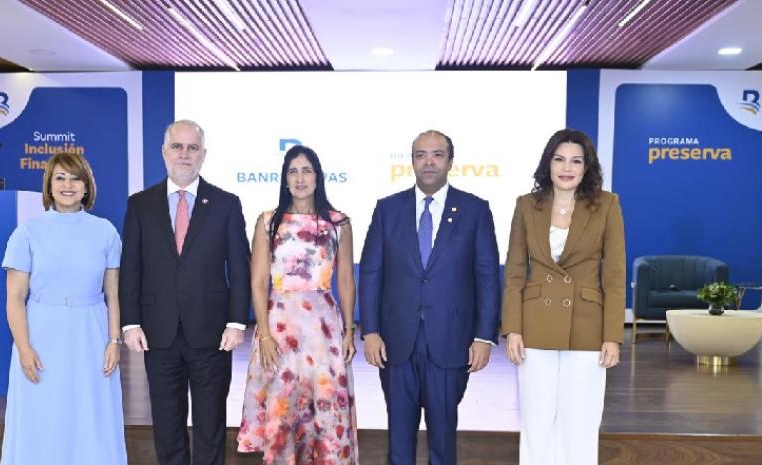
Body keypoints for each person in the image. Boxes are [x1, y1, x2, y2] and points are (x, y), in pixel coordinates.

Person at [359, 130, 500, 465]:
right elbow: (371, 273)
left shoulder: (475, 210)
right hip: (396, 342)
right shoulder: (387, 209)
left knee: (443, 439)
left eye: (437, 154)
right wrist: (370, 331)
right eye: (420, 154)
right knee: (399, 441)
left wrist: (484, 336)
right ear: (411, 162)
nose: (429, 161)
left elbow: (487, 278)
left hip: (451, 341)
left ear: (451, 161)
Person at [119, 119, 251, 465]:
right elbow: (131, 267)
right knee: (166, 425)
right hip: (157, 333)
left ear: (203, 155)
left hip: (212, 334)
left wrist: (237, 322)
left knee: (210, 425)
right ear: (164, 152)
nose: (184, 154)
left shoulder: (226, 204)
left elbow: (240, 268)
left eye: (193, 148)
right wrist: (130, 322)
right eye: (177, 146)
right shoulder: (140, 204)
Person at [501, 128, 625, 465]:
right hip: (534, 325)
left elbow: (614, 277)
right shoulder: (526, 205)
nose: (566, 168)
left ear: (587, 168)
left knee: (580, 424)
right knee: (536, 421)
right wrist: (512, 328)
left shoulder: (607, 205)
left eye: (575, 161)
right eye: (559, 159)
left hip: (587, 327)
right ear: (548, 164)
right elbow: (514, 272)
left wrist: (612, 336)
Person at [0, 151, 127, 465]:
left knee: (91, 411)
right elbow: (15, 297)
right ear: (49, 186)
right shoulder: (27, 233)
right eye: (60, 177)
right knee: (42, 411)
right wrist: (24, 348)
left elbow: (113, 294)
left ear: (87, 186)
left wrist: (114, 341)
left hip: (91, 332)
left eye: (75, 177)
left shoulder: (106, 231)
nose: (67, 185)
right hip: (42, 332)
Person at [237, 145, 359, 464]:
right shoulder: (267, 222)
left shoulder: (338, 223)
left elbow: (345, 280)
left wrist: (348, 331)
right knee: (284, 410)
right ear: (284, 180)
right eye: (293, 171)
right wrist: (263, 334)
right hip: (279, 330)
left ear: (318, 177)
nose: (300, 178)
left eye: (306, 170)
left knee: (326, 411)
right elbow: (258, 281)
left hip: (324, 331)